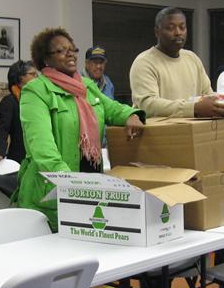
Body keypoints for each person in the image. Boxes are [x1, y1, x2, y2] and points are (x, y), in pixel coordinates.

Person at [16, 27, 144, 231]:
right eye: (61, 50)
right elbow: (42, 148)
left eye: (72, 49)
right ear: (45, 59)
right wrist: (72, 183)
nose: (70, 54)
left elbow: (111, 108)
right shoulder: (35, 91)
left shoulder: (85, 86)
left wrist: (131, 115)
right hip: (54, 191)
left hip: (90, 185)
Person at [130, 7, 224, 118]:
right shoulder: (144, 62)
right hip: (158, 133)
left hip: (192, 131)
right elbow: (148, 105)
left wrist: (221, 103)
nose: (178, 33)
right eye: (170, 28)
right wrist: (193, 108)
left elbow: (207, 94)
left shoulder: (192, 58)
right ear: (157, 32)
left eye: (182, 27)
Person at [0, 60, 37, 163]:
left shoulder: (38, 99)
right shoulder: (10, 101)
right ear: (20, 78)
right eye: (32, 74)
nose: (36, 78)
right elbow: (3, 129)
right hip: (19, 158)